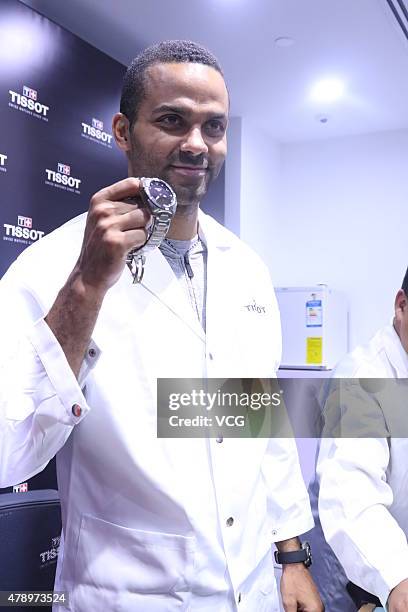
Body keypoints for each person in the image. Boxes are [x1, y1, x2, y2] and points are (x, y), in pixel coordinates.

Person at [0, 41, 323, 611]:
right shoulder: (50, 267)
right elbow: (9, 453)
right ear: (123, 131)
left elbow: (260, 423)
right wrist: (85, 287)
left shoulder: (246, 267)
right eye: (172, 120)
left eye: (214, 127)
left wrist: (291, 554)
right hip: (126, 595)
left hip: (252, 587)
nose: (196, 143)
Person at [317, 267, 408, 612]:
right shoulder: (361, 378)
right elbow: (353, 494)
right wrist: (398, 577)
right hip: (357, 565)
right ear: (401, 305)